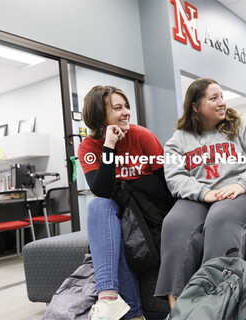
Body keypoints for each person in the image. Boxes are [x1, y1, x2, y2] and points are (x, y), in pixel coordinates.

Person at [154, 78, 246, 309]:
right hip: (203, 197)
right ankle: (179, 310)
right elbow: (175, 177)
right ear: (195, 106)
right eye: (214, 98)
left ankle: (217, 305)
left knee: (220, 217)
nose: (222, 102)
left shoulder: (241, 126)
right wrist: (204, 193)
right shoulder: (179, 139)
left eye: (221, 96)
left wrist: (242, 184)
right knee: (174, 223)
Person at [78, 85, 166, 320]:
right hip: (116, 213)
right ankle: (108, 297)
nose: (126, 112)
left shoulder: (143, 136)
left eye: (127, 106)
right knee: (98, 206)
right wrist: (109, 145)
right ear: (99, 114)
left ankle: (129, 311)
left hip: (147, 216)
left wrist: (131, 187)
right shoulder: (89, 146)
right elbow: (102, 191)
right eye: (118, 108)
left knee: (114, 231)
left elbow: (165, 188)